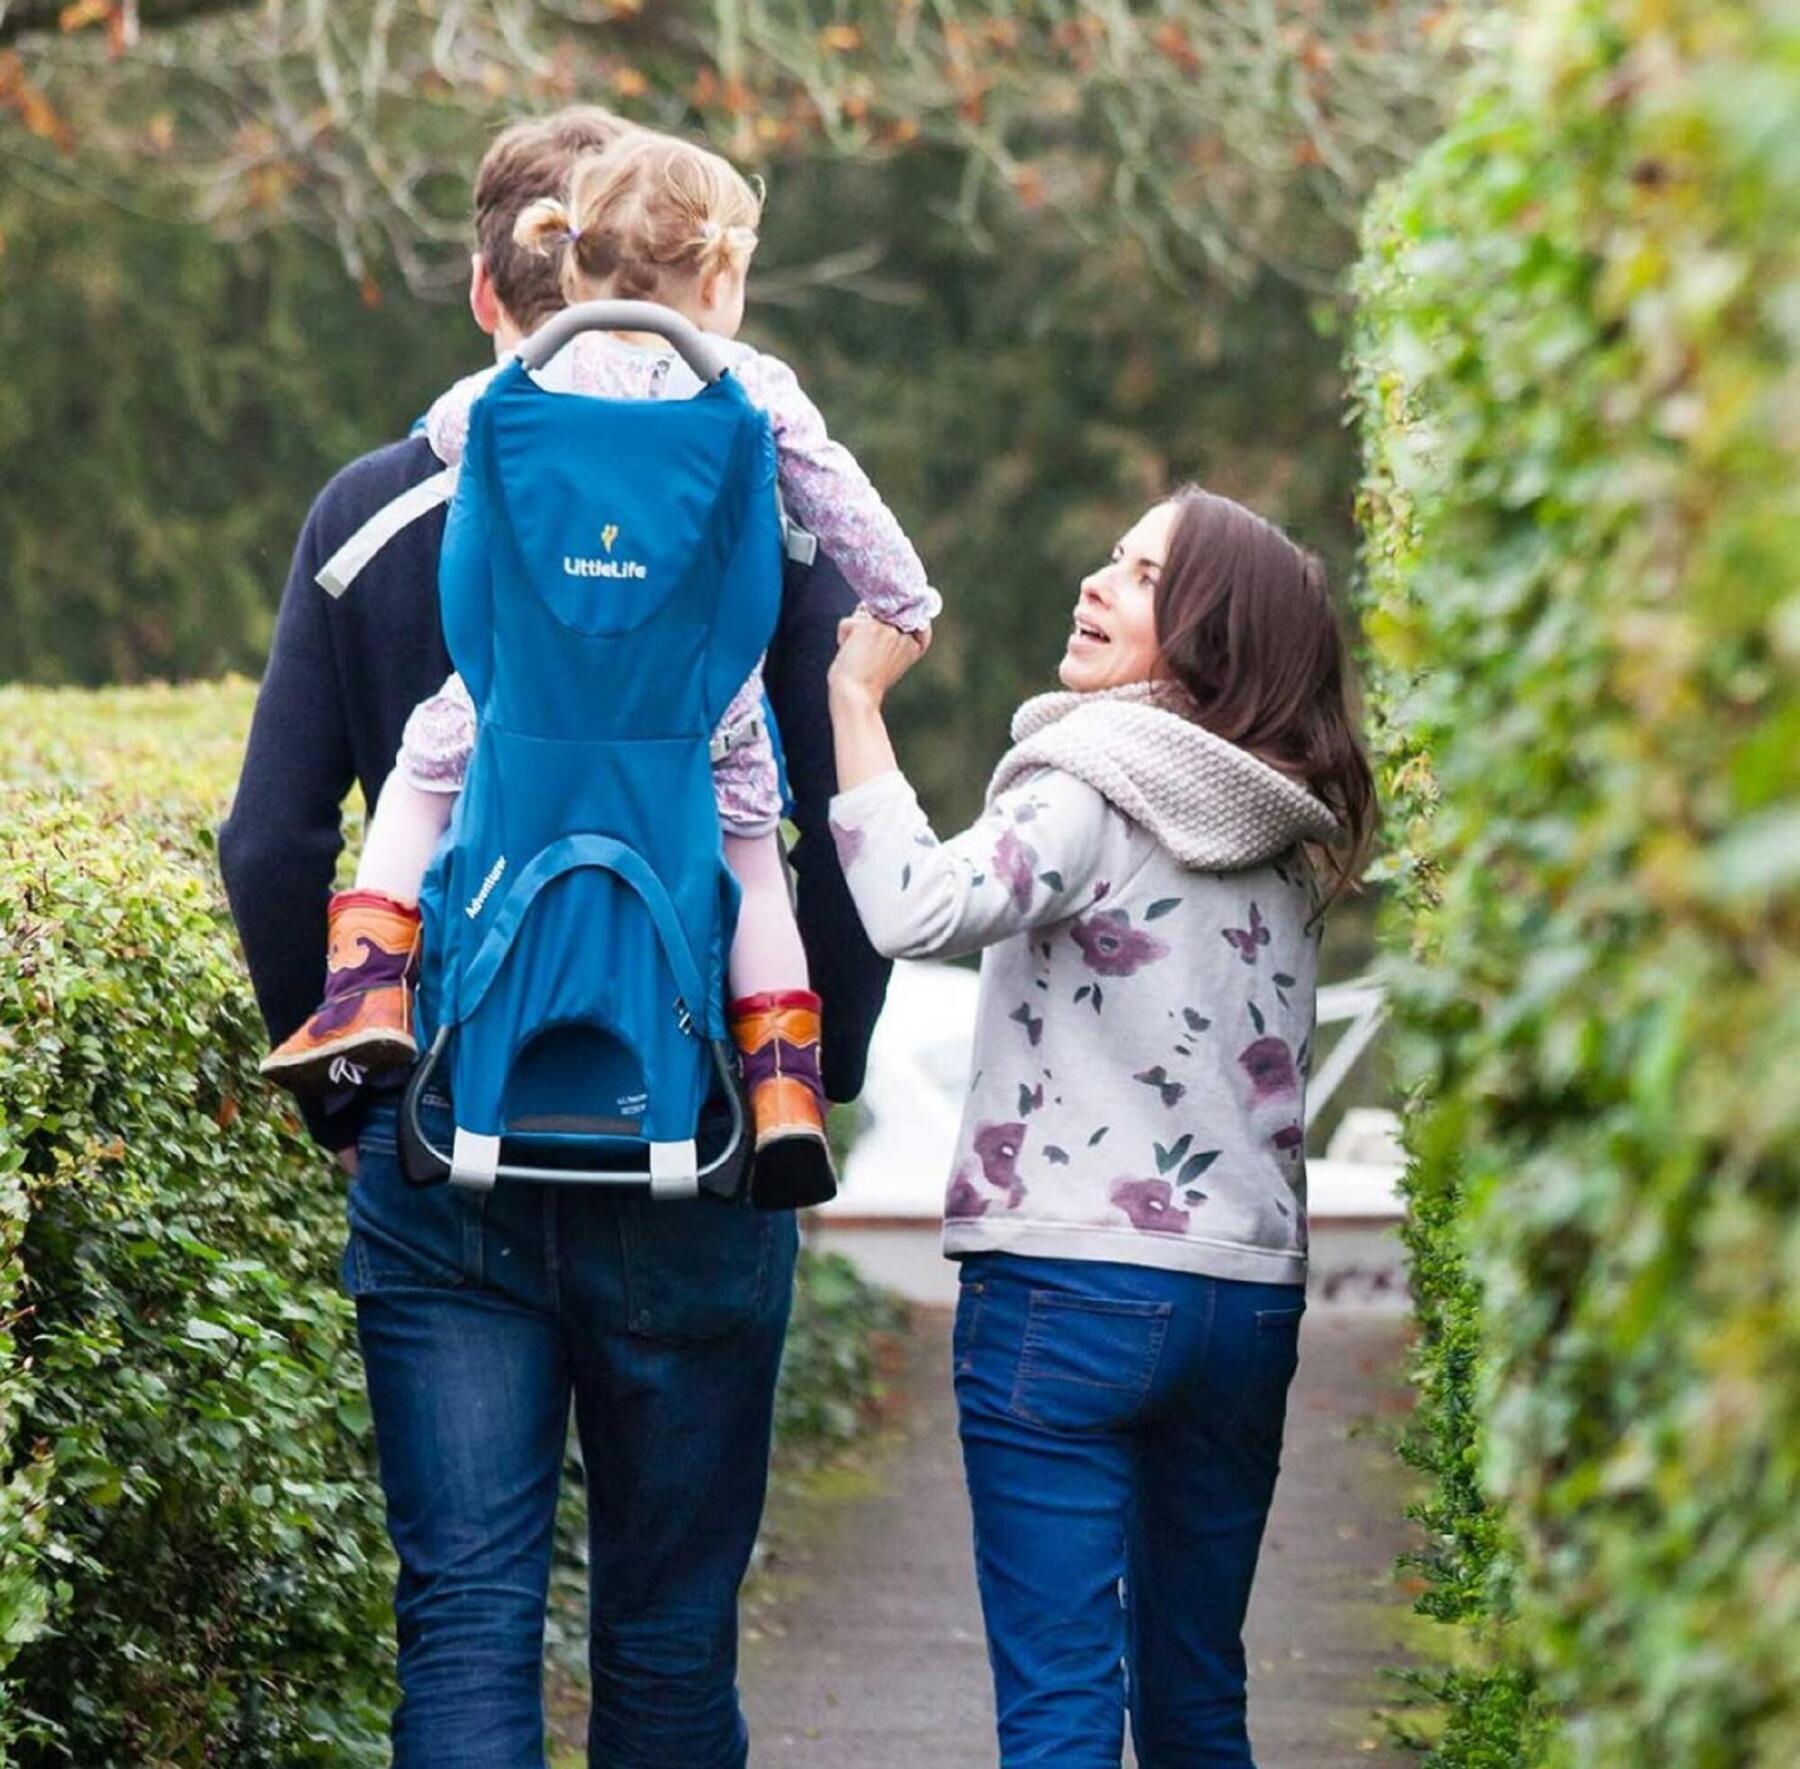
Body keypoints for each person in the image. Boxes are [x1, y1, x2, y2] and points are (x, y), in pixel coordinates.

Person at [219, 106, 892, 1767]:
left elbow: (273, 836)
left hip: (450, 1134)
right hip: (701, 1123)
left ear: (492, 285)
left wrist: (348, 1086)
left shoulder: (380, 510)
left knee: (466, 1609)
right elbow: (844, 833)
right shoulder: (760, 486)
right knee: (666, 1631)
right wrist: (809, 1074)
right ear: (704, 281)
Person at [262, 129, 937, 1198]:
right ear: (718, 277)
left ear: (559, 263)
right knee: (757, 864)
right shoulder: (752, 392)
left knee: (414, 784)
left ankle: (368, 987)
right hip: (696, 718)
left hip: (515, 705)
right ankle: (782, 1082)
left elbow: (440, 434)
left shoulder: (519, 387)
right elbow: (845, 504)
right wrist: (905, 602)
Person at [825, 486, 1377, 1767]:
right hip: (1242, 1301)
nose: (1094, 580)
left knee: (1062, 1705)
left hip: (1067, 1287)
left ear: (1203, 635)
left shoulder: (1093, 780)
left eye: (1138, 575)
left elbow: (918, 906)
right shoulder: (1287, 832)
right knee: (1197, 1698)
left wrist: (857, 705)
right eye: (1111, 553)